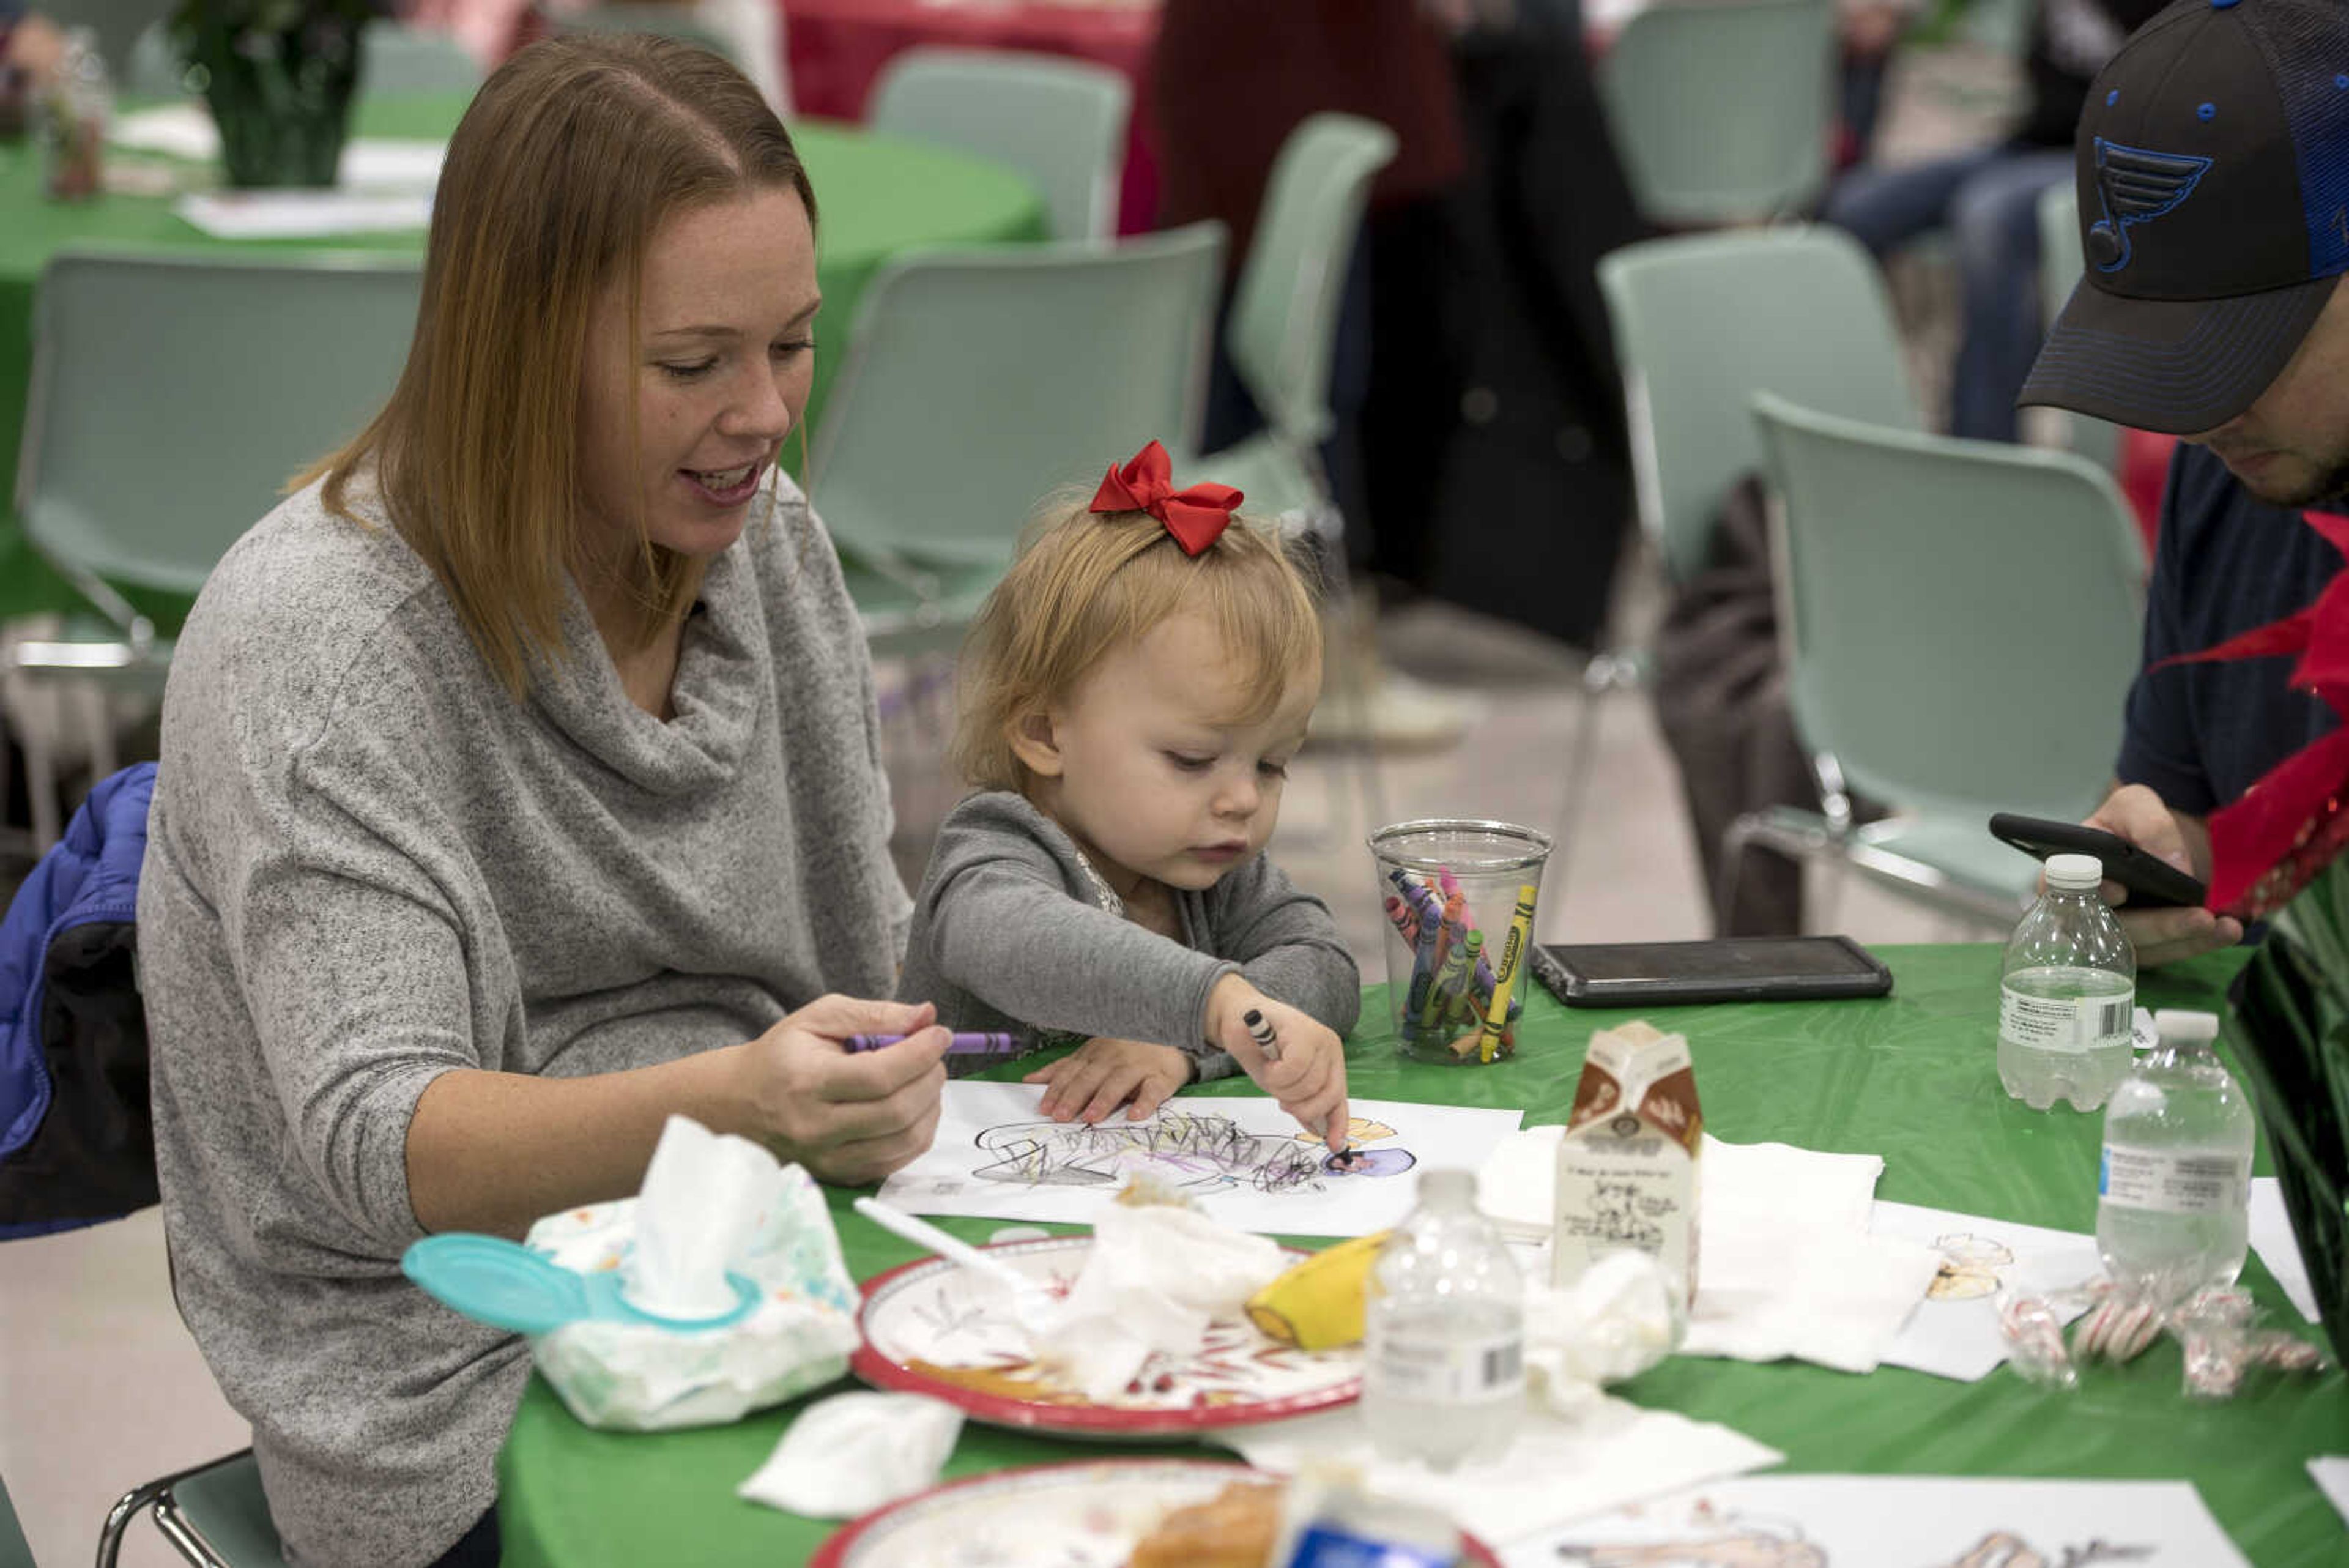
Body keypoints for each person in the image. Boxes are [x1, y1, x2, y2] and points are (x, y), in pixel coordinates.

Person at [138, 35, 949, 1568]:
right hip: (448, 1376)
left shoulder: (761, 541)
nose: (765, 417)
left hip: (777, 1259)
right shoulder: (324, 642)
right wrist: (734, 1105)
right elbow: (384, 1147)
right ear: (519, 349)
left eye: (792, 342)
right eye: (691, 363)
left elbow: (866, 960)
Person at [896, 442, 1357, 1146]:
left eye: (1272, 764)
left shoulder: (1211, 866)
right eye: (1191, 758)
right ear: (1045, 732)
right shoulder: (993, 849)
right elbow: (1019, 943)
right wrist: (1213, 1003)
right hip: (965, 1199)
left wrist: (1184, 1047)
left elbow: (1325, 965)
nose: (1241, 799)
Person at [2017, 0, 2349, 964]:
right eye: (2171, 363)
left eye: (2248, 354)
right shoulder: (2239, 480)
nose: (2203, 422)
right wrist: (2152, 871)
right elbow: (2216, 833)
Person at [1824, 0, 2167, 442]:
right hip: (2029, 144)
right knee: (1856, 208)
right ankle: (1856, 424)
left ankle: (1984, 445)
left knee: (1987, 215)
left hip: (2114, 159)